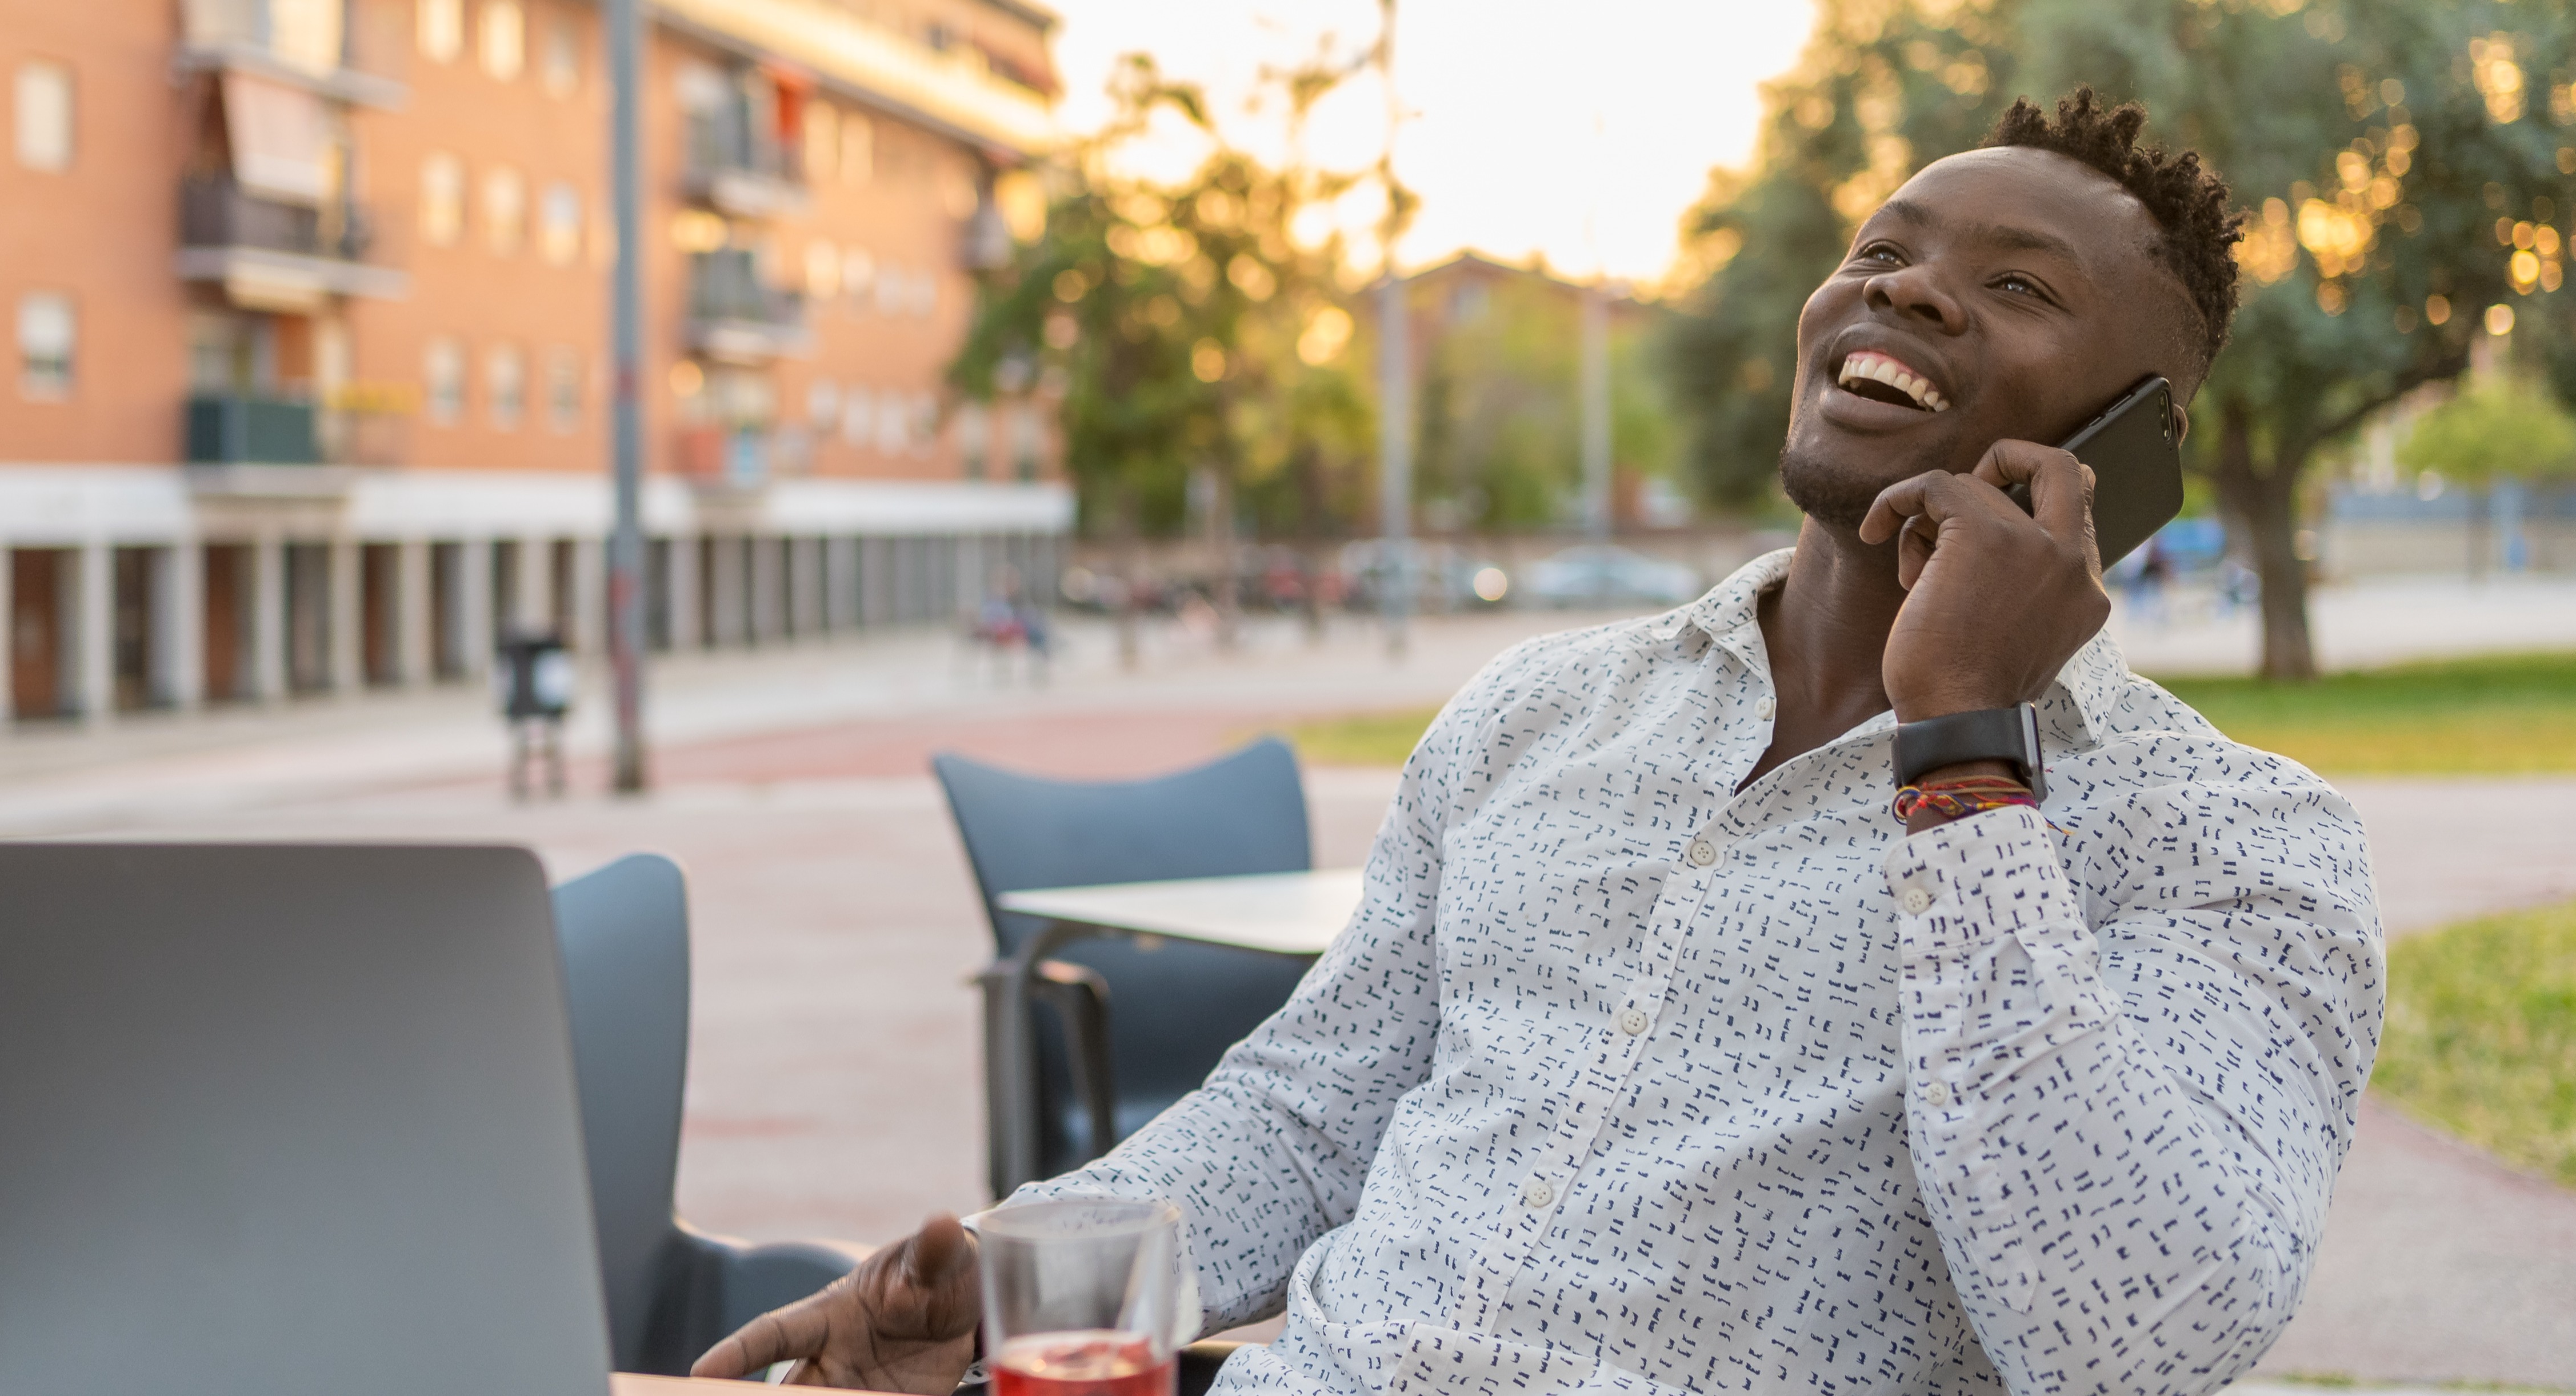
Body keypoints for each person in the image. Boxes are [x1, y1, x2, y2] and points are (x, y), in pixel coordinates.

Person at [698, 90, 2382, 1396]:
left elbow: (2137, 1332)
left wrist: (1963, 744)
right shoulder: (1537, 713)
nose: (1910, 287)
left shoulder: (2235, 841)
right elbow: (1307, 1115)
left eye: (2014, 286)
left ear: (2129, 451)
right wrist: (1011, 1274)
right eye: (1884, 246)